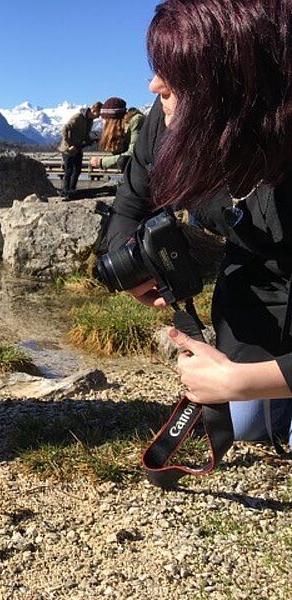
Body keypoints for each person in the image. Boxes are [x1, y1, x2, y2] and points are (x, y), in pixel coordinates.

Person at [106, 0, 292, 449]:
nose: (154, 85)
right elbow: (132, 197)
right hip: (255, 278)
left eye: (176, 74)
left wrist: (241, 381)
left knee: (248, 393)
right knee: (247, 426)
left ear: (240, 86)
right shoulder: (170, 117)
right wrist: (128, 261)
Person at [57, 101, 102, 195]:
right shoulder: (78, 117)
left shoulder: (90, 121)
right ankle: (65, 191)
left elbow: (85, 134)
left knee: (77, 170)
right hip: (68, 149)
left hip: (78, 148)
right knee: (68, 171)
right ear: (93, 110)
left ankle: (72, 190)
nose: (99, 116)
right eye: (99, 113)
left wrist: (91, 141)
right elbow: (65, 129)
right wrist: (68, 145)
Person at [90, 98, 145, 172]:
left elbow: (132, 154)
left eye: (107, 120)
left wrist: (101, 162)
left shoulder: (137, 120)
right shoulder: (123, 127)